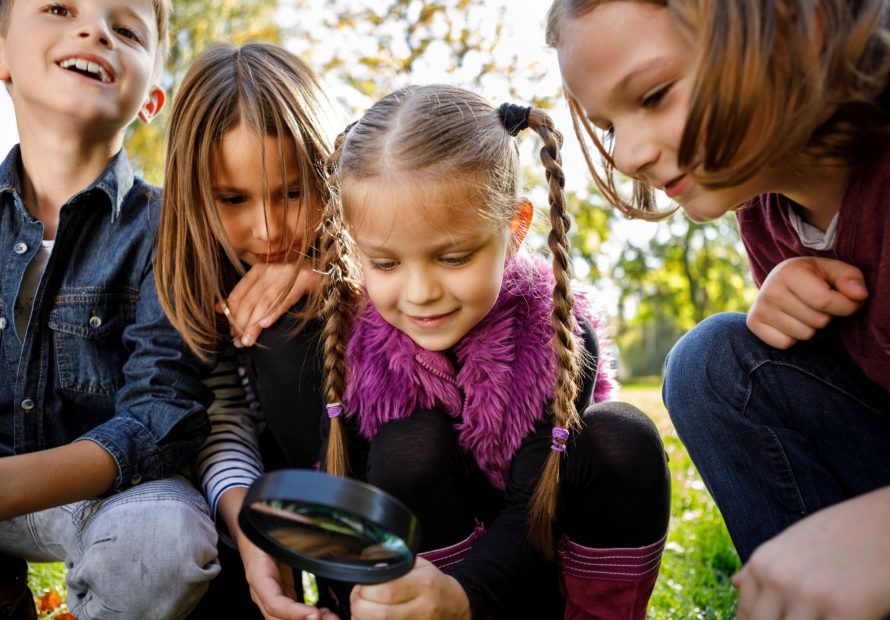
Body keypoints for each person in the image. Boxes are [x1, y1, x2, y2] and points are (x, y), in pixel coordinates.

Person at [546, 0, 890, 618]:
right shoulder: (767, 213)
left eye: (654, 95)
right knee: (712, 361)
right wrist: (797, 323)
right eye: (611, 126)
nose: (626, 156)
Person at [314, 84, 670, 620]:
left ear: (516, 229)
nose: (419, 292)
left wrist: (462, 598)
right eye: (385, 264)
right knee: (410, 446)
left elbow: (531, 514)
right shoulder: (355, 341)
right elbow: (345, 510)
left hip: (533, 577)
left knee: (623, 436)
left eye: (453, 257)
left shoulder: (551, 336)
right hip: (419, 590)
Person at [0, 0, 219, 618]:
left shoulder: (169, 227)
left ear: (151, 97)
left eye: (126, 30)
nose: (94, 29)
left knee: (165, 540)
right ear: (3, 58)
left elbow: (159, 412)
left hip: (107, 496)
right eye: (59, 8)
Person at [154, 42, 342, 620]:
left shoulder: (369, 250)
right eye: (233, 199)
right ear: (195, 193)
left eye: (291, 192)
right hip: (242, 493)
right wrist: (252, 523)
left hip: (355, 485)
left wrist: (331, 276)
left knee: (286, 336)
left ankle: (347, 588)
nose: (268, 227)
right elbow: (222, 421)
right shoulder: (187, 269)